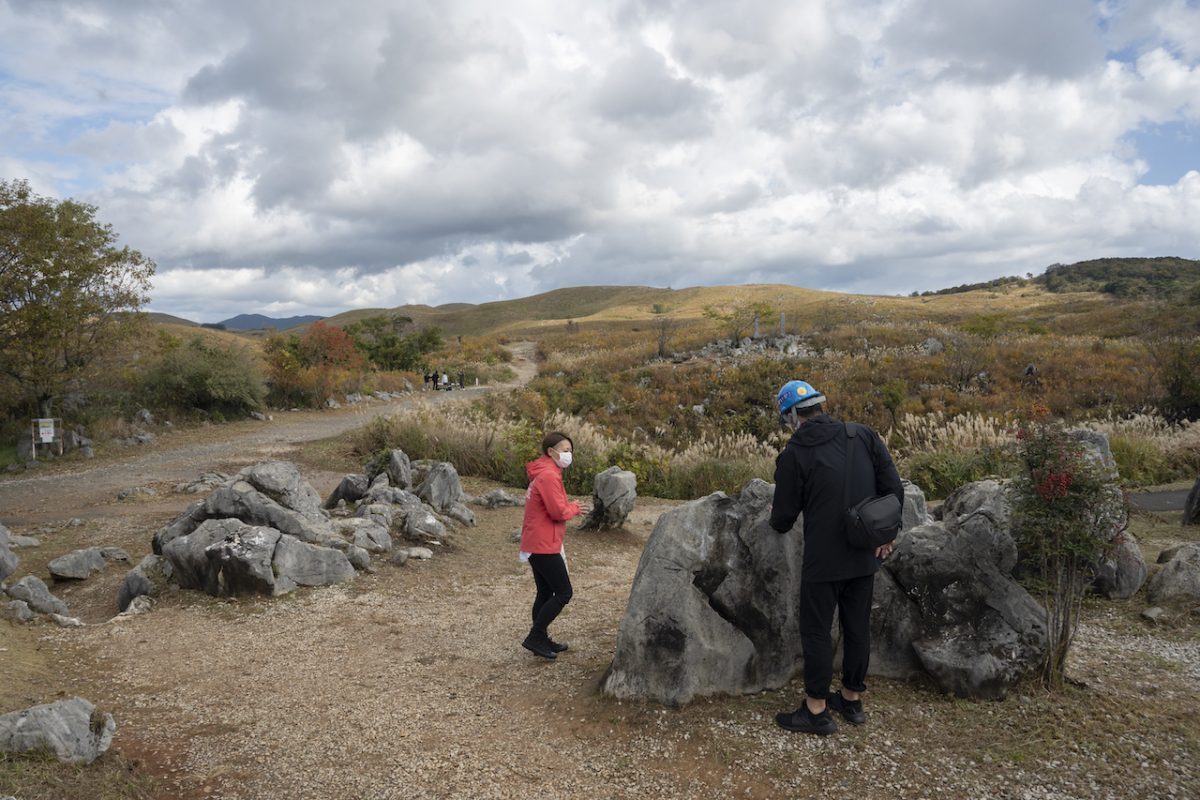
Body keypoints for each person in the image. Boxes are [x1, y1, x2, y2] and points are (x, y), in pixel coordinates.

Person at [769, 379, 903, 735]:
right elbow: (894, 489)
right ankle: (852, 700)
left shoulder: (794, 455)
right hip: (863, 555)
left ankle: (816, 710)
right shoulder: (862, 435)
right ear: (819, 406)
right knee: (857, 627)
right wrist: (886, 535)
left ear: (792, 417)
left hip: (822, 561)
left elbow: (782, 520)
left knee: (816, 631)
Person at [518, 432, 590, 659]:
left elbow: (553, 505)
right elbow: (558, 512)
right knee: (563, 592)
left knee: (545, 591)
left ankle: (541, 638)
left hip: (535, 542)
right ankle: (536, 636)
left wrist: (569, 505)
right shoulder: (549, 475)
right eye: (565, 450)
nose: (569, 455)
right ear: (551, 452)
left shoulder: (544, 472)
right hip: (543, 544)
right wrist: (575, 508)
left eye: (570, 450)